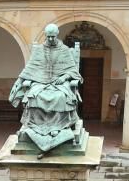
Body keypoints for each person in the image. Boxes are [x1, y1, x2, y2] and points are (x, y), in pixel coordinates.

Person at [9, 23, 85, 153]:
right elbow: (30, 68)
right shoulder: (39, 50)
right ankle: (36, 127)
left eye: (53, 37)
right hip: (40, 81)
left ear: (57, 35)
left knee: (61, 97)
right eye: (48, 37)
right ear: (45, 35)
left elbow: (73, 70)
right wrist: (19, 81)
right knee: (34, 96)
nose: (50, 39)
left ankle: (60, 126)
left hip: (60, 82)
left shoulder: (65, 50)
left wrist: (65, 77)